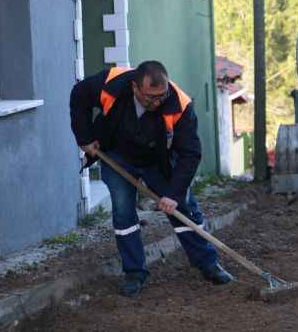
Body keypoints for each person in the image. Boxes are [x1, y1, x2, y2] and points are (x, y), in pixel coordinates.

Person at [69, 61, 233, 297]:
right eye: (150, 98)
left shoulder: (180, 104)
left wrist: (174, 195)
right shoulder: (111, 84)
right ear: (135, 87)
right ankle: (135, 273)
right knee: (123, 211)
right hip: (117, 155)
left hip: (159, 160)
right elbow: (79, 95)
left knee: (184, 208)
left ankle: (208, 263)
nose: (156, 103)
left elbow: (190, 154)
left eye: (161, 96)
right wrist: (84, 137)